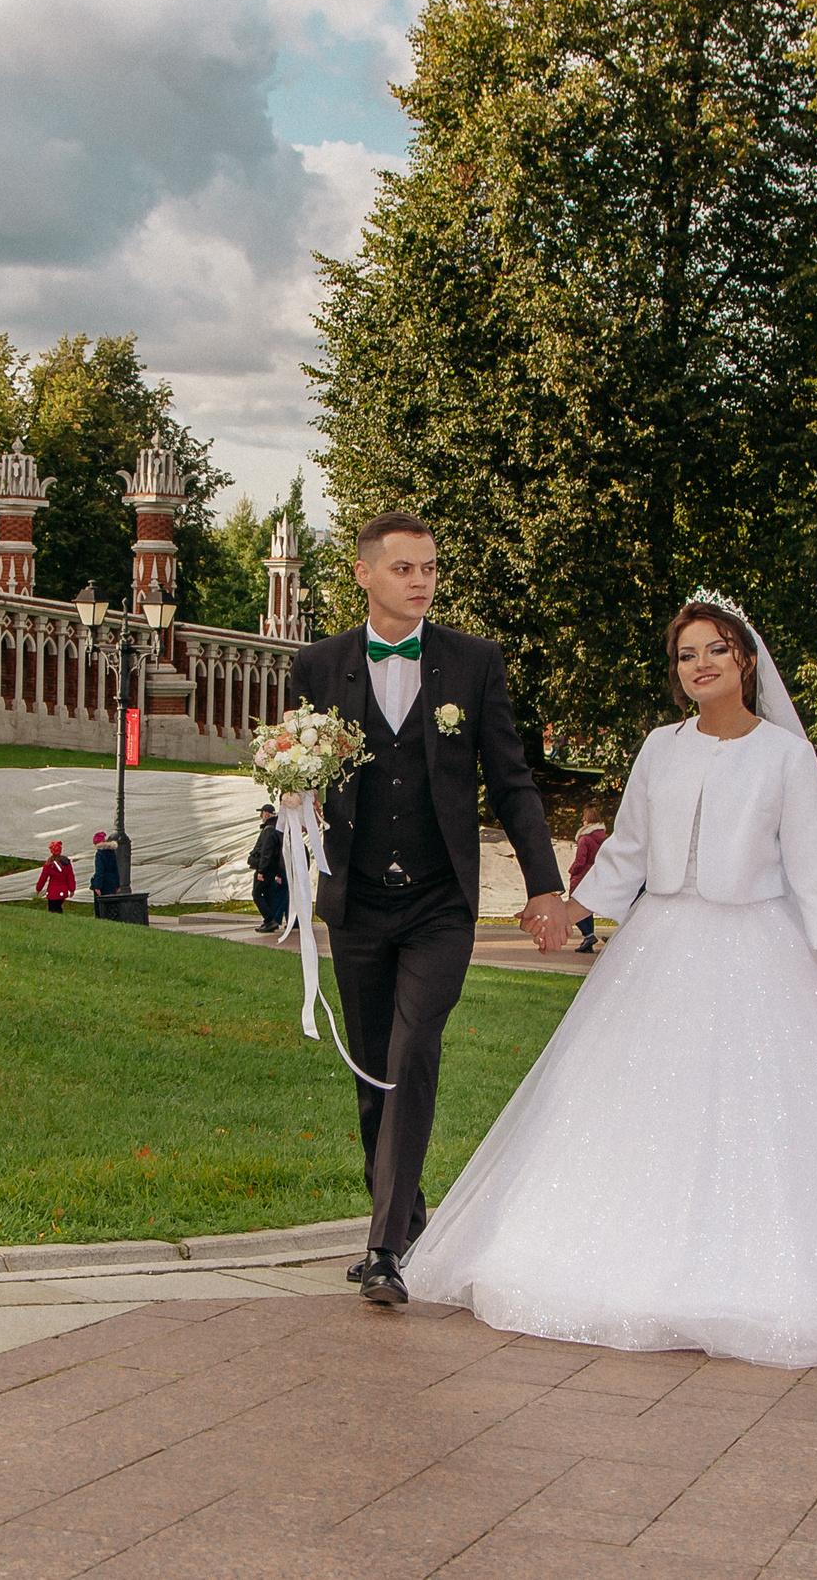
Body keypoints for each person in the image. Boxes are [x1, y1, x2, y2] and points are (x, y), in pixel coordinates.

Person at [403, 594, 817, 1368]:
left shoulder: (783, 755)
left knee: (758, 1108)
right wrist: (570, 908)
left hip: (760, 945)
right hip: (662, 942)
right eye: (686, 654)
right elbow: (628, 848)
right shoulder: (660, 747)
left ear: (745, 661)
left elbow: (811, 862)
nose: (700, 665)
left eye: (716, 650)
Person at [285, 510, 567, 1308]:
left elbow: (511, 779)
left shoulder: (473, 664)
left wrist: (543, 884)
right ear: (364, 574)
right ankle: (404, 1216)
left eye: (431, 568)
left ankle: (381, 1249)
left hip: (442, 900)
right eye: (404, 567)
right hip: (357, 897)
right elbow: (293, 775)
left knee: (413, 1051)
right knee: (372, 1068)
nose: (421, 581)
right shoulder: (317, 665)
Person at [567, 804, 608, 952]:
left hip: (582, 874)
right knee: (587, 908)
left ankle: (588, 934)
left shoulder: (585, 839)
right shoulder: (604, 839)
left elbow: (580, 860)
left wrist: (573, 870)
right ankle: (588, 940)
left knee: (574, 905)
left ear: (587, 820)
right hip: (595, 874)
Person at [248, 803, 288, 933]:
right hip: (272, 869)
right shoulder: (276, 828)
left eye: (262, 813)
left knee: (257, 894)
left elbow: (266, 852)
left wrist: (261, 871)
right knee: (269, 895)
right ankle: (272, 921)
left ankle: (269, 919)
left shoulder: (269, 830)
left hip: (266, 869)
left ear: (266, 814)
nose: (261, 816)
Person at [34, 841, 76, 913]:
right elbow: (70, 877)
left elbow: (43, 878)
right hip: (63, 890)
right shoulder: (66, 863)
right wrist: (72, 889)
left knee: (52, 909)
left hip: (52, 891)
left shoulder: (48, 864)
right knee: (58, 907)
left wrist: (38, 888)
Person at [87, 830, 121, 906]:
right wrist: (117, 884)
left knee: (101, 906)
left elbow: (99, 871)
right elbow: (116, 869)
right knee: (111, 905)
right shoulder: (112, 853)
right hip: (112, 881)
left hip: (103, 883)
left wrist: (97, 886)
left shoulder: (100, 854)